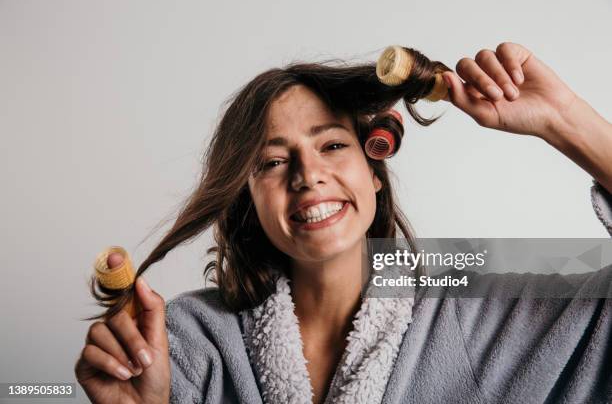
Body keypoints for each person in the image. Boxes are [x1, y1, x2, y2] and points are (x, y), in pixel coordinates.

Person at [75, 42, 612, 403]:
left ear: (374, 173)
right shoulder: (188, 344)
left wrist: (565, 119)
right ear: (247, 201)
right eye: (273, 161)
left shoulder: (474, 315)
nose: (309, 175)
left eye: (333, 145)